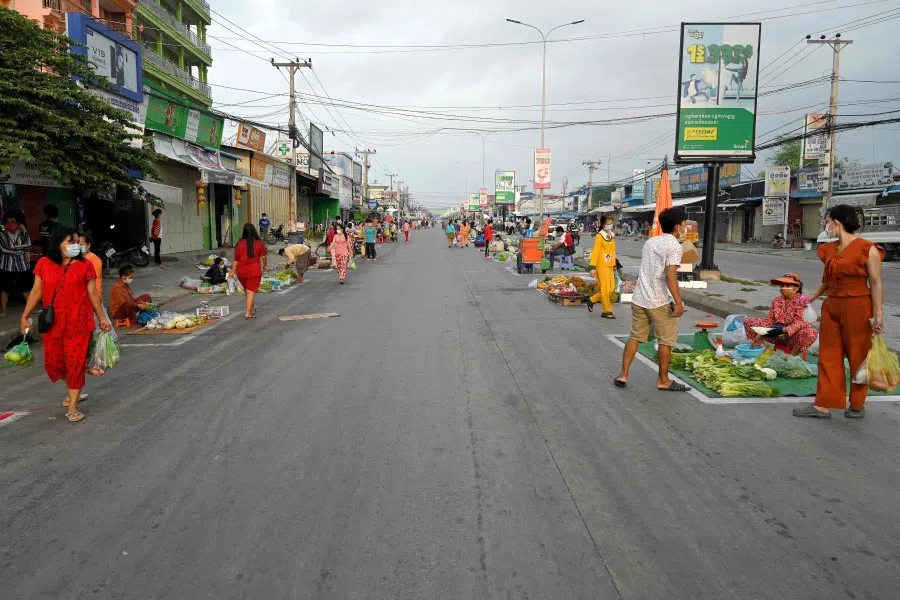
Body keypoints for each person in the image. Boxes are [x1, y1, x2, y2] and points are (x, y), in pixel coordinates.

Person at [793, 205, 884, 419]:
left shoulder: (868, 249)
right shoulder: (829, 249)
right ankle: (823, 404)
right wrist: (810, 298)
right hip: (832, 305)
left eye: (828, 221)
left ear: (838, 223)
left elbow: (876, 282)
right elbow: (826, 280)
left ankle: (857, 404)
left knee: (858, 354)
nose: (826, 225)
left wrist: (878, 315)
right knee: (828, 354)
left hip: (858, 306)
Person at [20, 227, 111, 423]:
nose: (76, 245)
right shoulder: (44, 264)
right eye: (72, 242)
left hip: (79, 323)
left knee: (75, 363)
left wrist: (102, 318)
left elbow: (93, 294)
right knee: (54, 364)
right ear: (59, 243)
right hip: (53, 324)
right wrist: (24, 316)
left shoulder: (85, 265)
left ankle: (73, 405)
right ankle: (73, 383)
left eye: (78, 242)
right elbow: (36, 291)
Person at [614, 208, 689, 392]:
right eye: (685, 223)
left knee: (635, 336)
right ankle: (663, 380)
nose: (686, 226)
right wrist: (678, 302)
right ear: (678, 227)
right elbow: (671, 276)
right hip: (659, 299)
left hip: (640, 297)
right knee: (666, 340)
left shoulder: (650, 242)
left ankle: (623, 374)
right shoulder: (675, 246)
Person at [743, 273, 818, 353]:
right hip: (775, 334)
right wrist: (760, 334)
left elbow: (799, 322)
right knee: (749, 322)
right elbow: (769, 319)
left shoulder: (802, 301)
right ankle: (763, 351)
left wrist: (784, 330)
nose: (783, 288)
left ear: (796, 288)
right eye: (782, 286)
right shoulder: (777, 300)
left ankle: (790, 358)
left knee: (811, 333)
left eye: (787, 286)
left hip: (792, 337)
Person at [0, 212, 32, 318]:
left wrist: (14, 247)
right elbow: (4, 249)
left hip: (22, 265)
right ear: (5, 224)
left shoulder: (23, 233)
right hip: (6, 266)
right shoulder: (2, 234)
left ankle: (33, 308)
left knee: (26, 288)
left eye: (13, 222)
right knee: (4, 289)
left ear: (18, 223)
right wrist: (20, 250)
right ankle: (3, 310)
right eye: (8, 222)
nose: (10, 224)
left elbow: (28, 246)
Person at [233, 223, 267, 320]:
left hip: (241, 271)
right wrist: (265, 265)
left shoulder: (239, 244)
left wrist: (232, 271)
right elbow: (264, 257)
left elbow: (236, 259)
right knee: (251, 291)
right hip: (254, 270)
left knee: (248, 291)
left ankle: (251, 309)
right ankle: (248, 313)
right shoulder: (258, 243)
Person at [587, 215, 617, 318]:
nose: (609, 225)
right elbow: (595, 251)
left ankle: (592, 299)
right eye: (607, 223)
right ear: (603, 224)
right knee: (604, 288)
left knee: (611, 289)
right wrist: (592, 267)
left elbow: (612, 251)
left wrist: (615, 264)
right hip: (601, 265)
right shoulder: (599, 236)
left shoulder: (611, 235)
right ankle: (607, 311)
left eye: (610, 223)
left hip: (610, 265)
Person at [79, 232, 103, 298]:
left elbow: (96, 281)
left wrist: (98, 299)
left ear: (88, 245)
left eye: (80, 244)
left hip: (92, 299)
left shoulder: (94, 260)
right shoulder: (79, 259)